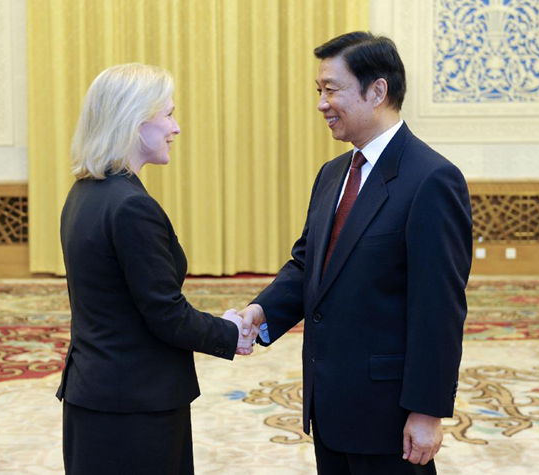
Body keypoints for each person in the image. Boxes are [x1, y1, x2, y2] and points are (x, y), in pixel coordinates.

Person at [239, 32, 472, 474]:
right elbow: (309, 265)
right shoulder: (333, 174)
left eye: (331, 89)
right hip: (330, 404)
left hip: (390, 414)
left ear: (377, 90)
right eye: (318, 91)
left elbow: (439, 309)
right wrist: (261, 312)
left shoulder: (432, 179)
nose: (321, 103)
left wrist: (427, 411)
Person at [57, 63, 254, 475]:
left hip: (96, 395)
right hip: (134, 406)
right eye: (167, 114)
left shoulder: (84, 193)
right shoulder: (130, 206)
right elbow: (165, 314)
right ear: (134, 120)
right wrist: (230, 332)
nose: (175, 127)